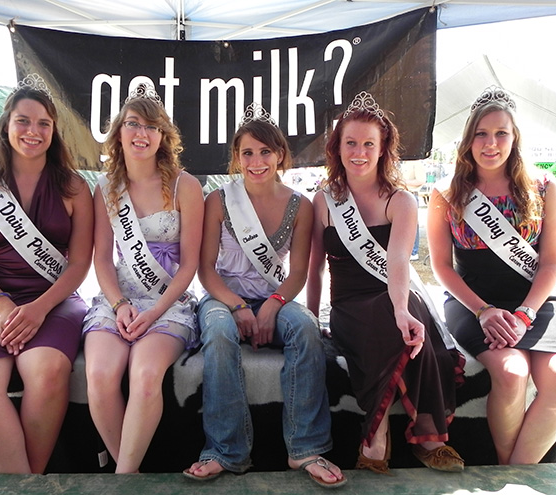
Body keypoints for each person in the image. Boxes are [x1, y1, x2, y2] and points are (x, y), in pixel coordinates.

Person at [184, 104, 346, 488]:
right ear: (237, 158)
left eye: (265, 152)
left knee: (306, 327)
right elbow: (205, 269)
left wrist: (274, 305)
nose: (257, 161)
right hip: (224, 297)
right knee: (220, 333)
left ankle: (305, 448)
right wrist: (238, 306)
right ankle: (225, 450)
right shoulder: (218, 200)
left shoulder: (301, 205)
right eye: (248, 153)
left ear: (280, 155)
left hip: (276, 298)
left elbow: (300, 272)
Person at [307, 91, 465, 475]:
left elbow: (396, 263)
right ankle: (417, 435)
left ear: (382, 150)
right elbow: (315, 269)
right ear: (337, 147)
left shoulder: (401, 201)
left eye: (368, 144)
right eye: (350, 143)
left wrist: (398, 308)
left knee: (401, 316)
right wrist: (312, 320)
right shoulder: (325, 201)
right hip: (346, 307)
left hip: (393, 297)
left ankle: (382, 437)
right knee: (391, 322)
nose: (358, 152)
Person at [426, 86, 556, 465]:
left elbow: (550, 264)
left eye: (501, 133)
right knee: (512, 372)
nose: (491, 143)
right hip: (474, 302)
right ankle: (510, 473)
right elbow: (442, 267)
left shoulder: (544, 187)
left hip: (537, 301)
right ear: (468, 140)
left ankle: (514, 474)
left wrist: (526, 313)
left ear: (515, 139)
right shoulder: (446, 194)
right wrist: (484, 311)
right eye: (481, 133)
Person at [0, 74, 93, 473]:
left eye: (44, 123)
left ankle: (29, 481)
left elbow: (79, 264)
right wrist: (3, 304)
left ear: (54, 131)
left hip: (56, 298)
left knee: (46, 372)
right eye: (24, 121)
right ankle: (22, 484)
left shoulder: (75, 188)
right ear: (6, 126)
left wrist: (39, 308)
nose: (34, 131)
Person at [82, 83, 204, 473]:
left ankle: (123, 479)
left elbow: (189, 266)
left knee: (146, 372)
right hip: (119, 299)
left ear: (164, 136)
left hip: (168, 302)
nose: (142, 133)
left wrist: (154, 313)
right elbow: (101, 258)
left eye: (152, 127)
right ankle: (131, 475)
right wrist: (119, 305)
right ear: (118, 132)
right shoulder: (104, 189)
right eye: (133, 124)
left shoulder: (187, 186)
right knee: (99, 375)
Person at [400, 160, 426, 260]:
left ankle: (414, 252)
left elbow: (421, 180)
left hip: (411, 194)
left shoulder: (416, 163)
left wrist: (402, 181)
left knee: (412, 223)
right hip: (399, 193)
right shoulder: (400, 161)